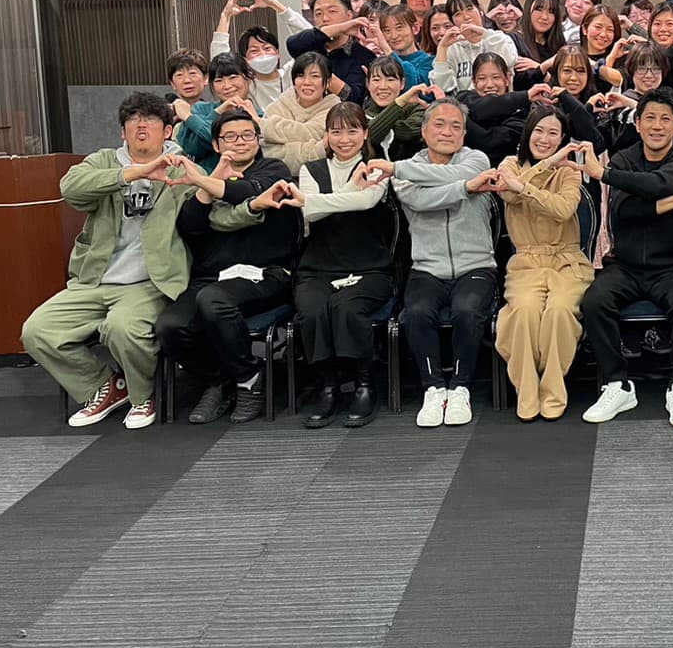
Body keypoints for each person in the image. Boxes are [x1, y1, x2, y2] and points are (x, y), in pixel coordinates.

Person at [21, 92, 192, 430]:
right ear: (122, 132)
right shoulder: (103, 160)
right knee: (37, 331)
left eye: (150, 119)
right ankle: (107, 386)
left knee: (121, 328)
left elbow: (206, 205)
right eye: (132, 120)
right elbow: (71, 188)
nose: (140, 125)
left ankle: (143, 396)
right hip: (94, 279)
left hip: (149, 282)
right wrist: (132, 173)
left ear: (167, 131)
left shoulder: (182, 166)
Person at [155, 109, 302, 424]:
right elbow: (190, 227)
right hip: (212, 275)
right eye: (230, 136)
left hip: (266, 273)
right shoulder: (211, 176)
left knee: (214, 301)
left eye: (248, 135)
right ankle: (221, 379)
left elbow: (246, 193)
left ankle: (248, 380)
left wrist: (201, 179)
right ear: (216, 144)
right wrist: (207, 185)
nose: (240, 141)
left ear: (258, 140)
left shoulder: (273, 169)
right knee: (170, 327)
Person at [572, 87, 673, 428]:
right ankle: (618, 384)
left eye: (665, 120)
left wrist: (605, 175)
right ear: (638, 123)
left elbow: (659, 184)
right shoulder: (623, 159)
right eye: (650, 118)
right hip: (626, 264)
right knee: (594, 302)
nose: (657, 126)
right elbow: (624, 212)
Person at [370, 97, 497, 428]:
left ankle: (460, 388)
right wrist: (465, 188)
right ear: (424, 132)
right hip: (426, 267)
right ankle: (433, 388)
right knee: (416, 313)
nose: (447, 132)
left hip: (476, 265)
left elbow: (462, 174)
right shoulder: (406, 170)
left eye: (456, 126)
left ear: (464, 133)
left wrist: (398, 168)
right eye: (439, 124)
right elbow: (420, 200)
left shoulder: (477, 159)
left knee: (467, 311)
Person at [294, 103, 397, 428]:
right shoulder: (311, 169)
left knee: (347, 308)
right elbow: (310, 213)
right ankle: (328, 385)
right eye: (336, 131)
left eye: (352, 130)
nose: (344, 138)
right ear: (326, 135)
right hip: (318, 268)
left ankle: (364, 383)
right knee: (312, 310)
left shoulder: (376, 166)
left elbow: (367, 201)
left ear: (365, 133)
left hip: (370, 267)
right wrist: (350, 189)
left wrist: (317, 201)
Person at [492, 106, 593, 421]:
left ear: (563, 138)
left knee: (559, 310)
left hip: (568, 260)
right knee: (523, 312)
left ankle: (553, 388)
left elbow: (563, 209)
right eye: (539, 130)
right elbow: (509, 194)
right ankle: (526, 389)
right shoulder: (509, 164)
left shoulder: (570, 171)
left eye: (553, 133)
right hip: (526, 261)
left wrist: (524, 185)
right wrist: (546, 165)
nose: (545, 139)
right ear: (528, 133)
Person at [210, 0, 313, 108]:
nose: (263, 54)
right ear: (245, 60)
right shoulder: (246, 84)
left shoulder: (291, 74)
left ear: (277, 53)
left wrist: (274, 4)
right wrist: (226, 15)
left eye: (267, 48)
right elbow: (219, 61)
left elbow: (310, 40)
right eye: (254, 51)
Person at [286, 0, 374, 104]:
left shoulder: (364, 56)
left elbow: (353, 98)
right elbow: (292, 44)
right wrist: (340, 28)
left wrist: (320, 73)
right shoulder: (309, 46)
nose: (325, 18)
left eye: (332, 11)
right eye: (318, 13)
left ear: (349, 15)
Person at [172, 54, 261, 169]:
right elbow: (193, 148)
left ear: (248, 79)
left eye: (233, 77)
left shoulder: (259, 115)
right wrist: (217, 112)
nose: (227, 86)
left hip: (251, 176)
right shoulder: (201, 109)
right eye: (219, 80)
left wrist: (189, 118)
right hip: (207, 176)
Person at [261, 51, 341, 174]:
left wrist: (268, 127)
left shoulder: (336, 113)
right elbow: (269, 153)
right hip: (275, 179)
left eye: (315, 76)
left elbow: (309, 131)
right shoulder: (276, 107)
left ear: (328, 82)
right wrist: (317, 150)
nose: (307, 82)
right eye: (300, 75)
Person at [430, 0, 519, 93]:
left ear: (480, 11)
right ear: (453, 21)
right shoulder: (452, 49)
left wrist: (484, 33)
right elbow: (442, 87)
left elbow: (508, 62)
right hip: (464, 102)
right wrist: (442, 47)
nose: (466, 17)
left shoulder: (499, 38)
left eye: (469, 9)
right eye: (458, 14)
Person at [363, 56, 428, 162]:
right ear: (368, 84)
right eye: (376, 80)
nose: (383, 86)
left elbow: (406, 133)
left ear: (402, 83)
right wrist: (399, 102)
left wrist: (380, 125)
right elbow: (370, 137)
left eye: (390, 80)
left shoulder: (418, 109)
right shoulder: (361, 114)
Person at [515, 0, 564, 84]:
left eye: (551, 11)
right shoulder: (514, 40)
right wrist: (545, 67)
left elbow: (565, 85)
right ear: (528, 10)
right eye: (539, 9)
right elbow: (519, 82)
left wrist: (537, 67)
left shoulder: (560, 44)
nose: (545, 17)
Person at [377, 4, 434, 88]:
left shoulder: (428, 61)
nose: (394, 36)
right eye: (387, 31)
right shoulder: (381, 62)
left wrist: (387, 50)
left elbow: (418, 88)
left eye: (399, 28)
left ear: (415, 28)